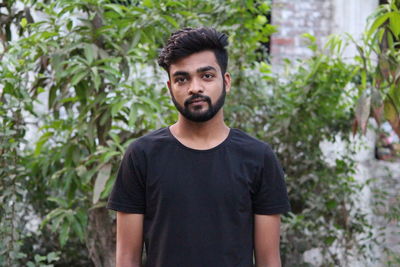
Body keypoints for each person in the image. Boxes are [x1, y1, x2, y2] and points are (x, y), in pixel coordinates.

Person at [107, 27, 290, 267]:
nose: (195, 88)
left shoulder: (258, 157)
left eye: (206, 76)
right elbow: (127, 259)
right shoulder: (142, 155)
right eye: (182, 79)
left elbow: (269, 261)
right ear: (170, 87)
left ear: (226, 82)